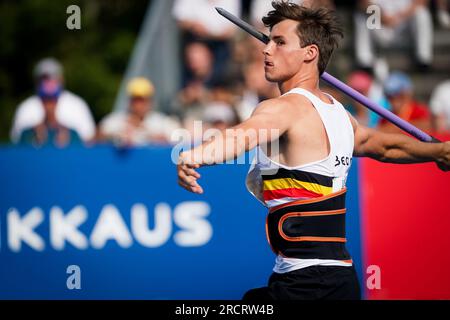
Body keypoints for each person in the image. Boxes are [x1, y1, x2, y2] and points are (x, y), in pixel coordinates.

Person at [177, 2, 450, 300]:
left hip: (304, 284)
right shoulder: (341, 115)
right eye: (268, 40)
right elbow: (385, 146)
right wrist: (436, 152)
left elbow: (241, 137)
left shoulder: (282, 108)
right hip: (340, 279)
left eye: (280, 42)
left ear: (310, 53)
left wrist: (196, 155)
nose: (266, 50)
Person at [11, 58, 96, 144]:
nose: (48, 82)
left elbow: (89, 139)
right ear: (36, 81)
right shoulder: (26, 107)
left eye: (53, 77)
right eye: (44, 78)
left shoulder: (77, 105)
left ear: (61, 79)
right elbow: (16, 140)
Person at [354, 0, 433, 72]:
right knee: (361, 16)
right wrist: (383, 18)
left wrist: (400, 17)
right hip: (379, 27)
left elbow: (421, 2)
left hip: (405, 28)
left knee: (422, 13)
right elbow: (362, 3)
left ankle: (423, 60)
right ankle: (365, 62)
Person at [98, 77, 180, 146]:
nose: (139, 105)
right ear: (130, 101)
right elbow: (94, 138)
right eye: (136, 100)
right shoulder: (116, 120)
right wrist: (115, 136)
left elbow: (179, 140)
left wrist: (148, 134)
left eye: (143, 100)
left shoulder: (161, 122)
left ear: (150, 101)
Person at [18, 77, 82, 147]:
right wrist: (35, 143)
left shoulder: (72, 135)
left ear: (57, 101)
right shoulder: (28, 135)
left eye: (52, 100)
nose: (49, 105)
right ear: (41, 102)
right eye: (46, 100)